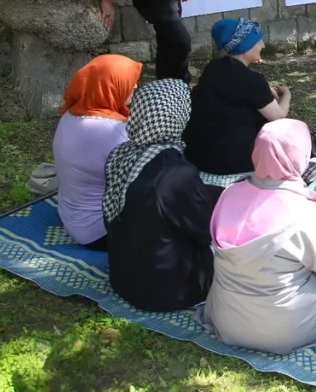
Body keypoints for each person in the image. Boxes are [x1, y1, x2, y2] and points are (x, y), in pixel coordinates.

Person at [201, 119, 316, 385]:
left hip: (225, 319)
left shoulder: (229, 194)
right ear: (301, 156)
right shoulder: (303, 212)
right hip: (283, 328)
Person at [103, 79, 224, 312]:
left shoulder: (120, 155)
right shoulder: (175, 175)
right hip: (167, 290)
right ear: (177, 116)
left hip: (123, 278)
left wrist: (220, 193)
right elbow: (207, 230)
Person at [53, 55, 143, 250]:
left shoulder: (69, 115)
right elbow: (143, 182)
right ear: (111, 86)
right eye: (130, 82)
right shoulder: (113, 131)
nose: (135, 87)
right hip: (100, 231)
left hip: (69, 216)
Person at [183, 19, 290, 176]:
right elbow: (278, 116)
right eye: (258, 41)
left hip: (198, 157)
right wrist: (286, 94)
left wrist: (264, 89)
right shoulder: (252, 80)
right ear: (244, 46)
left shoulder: (212, 68)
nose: (263, 45)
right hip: (233, 163)